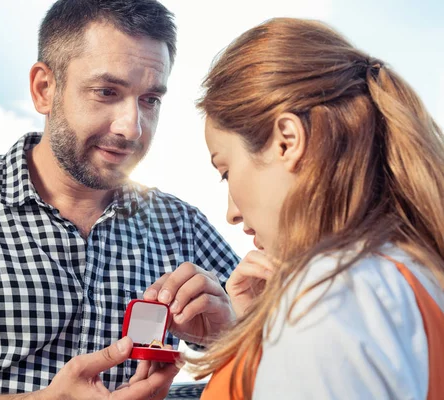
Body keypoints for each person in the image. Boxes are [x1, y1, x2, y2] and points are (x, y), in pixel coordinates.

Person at [0, 1, 239, 399]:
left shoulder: (181, 225)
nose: (131, 127)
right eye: (107, 92)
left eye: (150, 100)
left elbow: (276, 355)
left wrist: (230, 334)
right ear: (44, 89)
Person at [190, 17, 444, 400]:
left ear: (287, 142)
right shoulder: (414, 274)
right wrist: (253, 332)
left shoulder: (326, 298)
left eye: (226, 171)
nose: (232, 214)